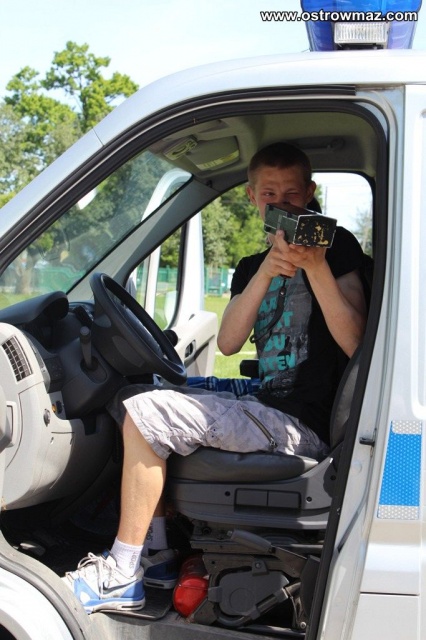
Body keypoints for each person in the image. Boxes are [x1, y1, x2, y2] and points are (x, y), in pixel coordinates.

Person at [62, 142, 367, 613]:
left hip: (303, 421)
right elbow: (227, 342)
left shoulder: (338, 248)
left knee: (148, 413)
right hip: (267, 400)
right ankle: (157, 554)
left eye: (292, 194)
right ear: (252, 197)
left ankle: (121, 574)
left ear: (310, 193)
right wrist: (267, 270)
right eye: (270, 195)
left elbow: (355, 342)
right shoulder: (250, 267)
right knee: (138, 396)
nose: (283, 205)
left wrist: (316, 268)